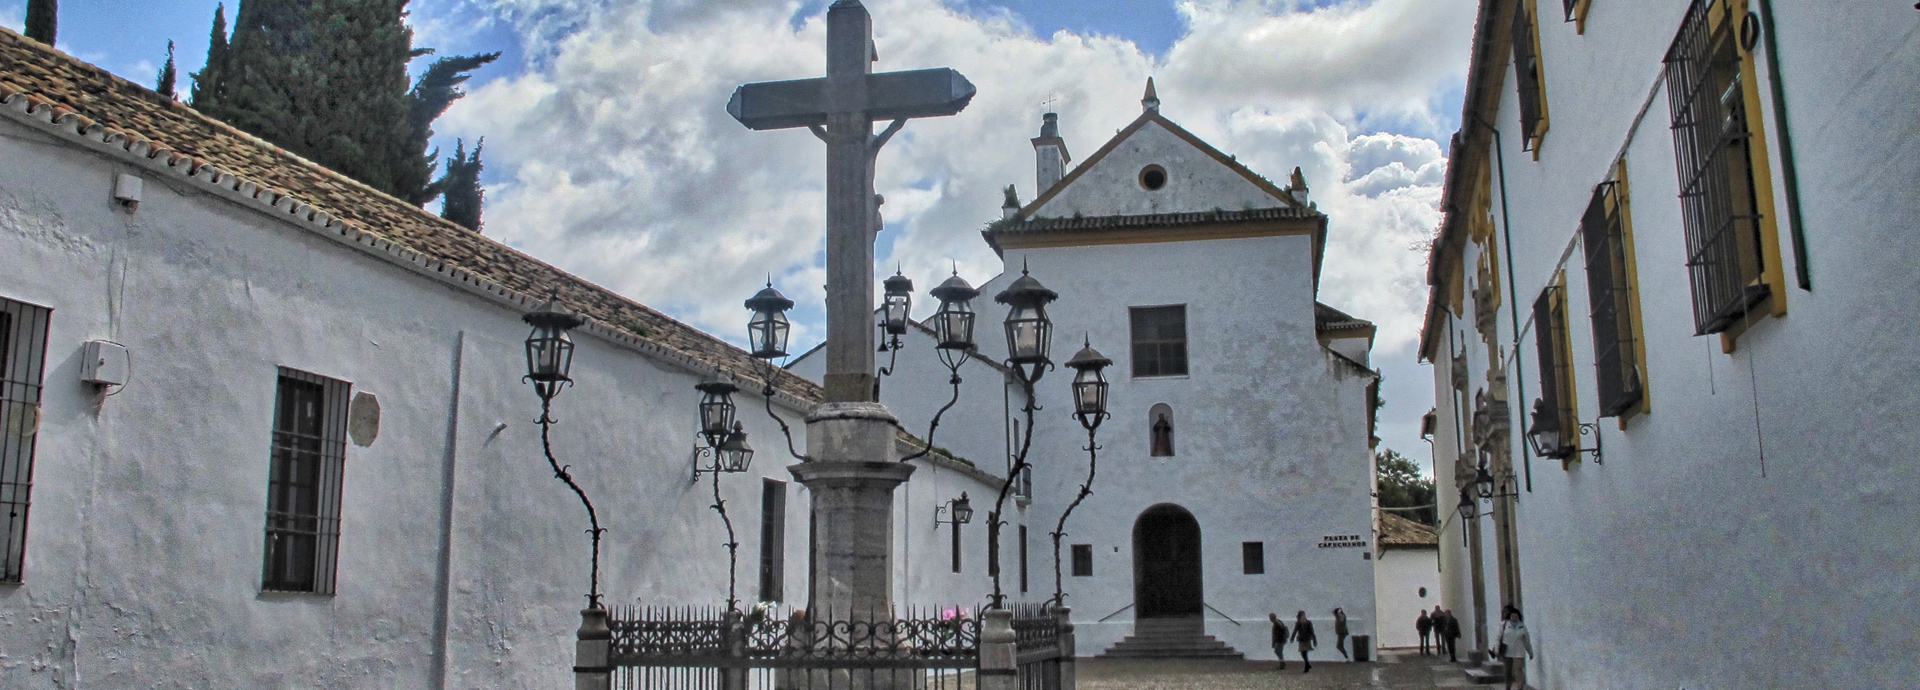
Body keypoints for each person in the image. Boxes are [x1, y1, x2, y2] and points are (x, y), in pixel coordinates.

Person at [1497, 606, 1533, 690]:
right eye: (1512, 616)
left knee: (1518, 670)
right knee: (1507, 671)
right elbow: (1498, 637)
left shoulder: (1522, 627)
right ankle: (1508, 686)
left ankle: (1520, 687)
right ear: (1509, 616)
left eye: (1516, 616)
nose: (1514, 618)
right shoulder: (1504, 625)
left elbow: (1527, 641)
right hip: (1507, 651)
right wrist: (1496, 649)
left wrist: (1530, 652)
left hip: (1519, 652)